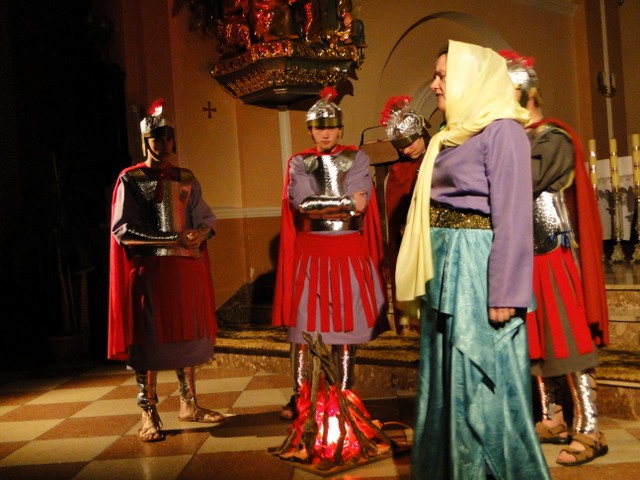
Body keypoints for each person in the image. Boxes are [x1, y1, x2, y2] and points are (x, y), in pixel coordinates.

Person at [395, 40, 551, 479]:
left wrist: (505, 291)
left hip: (478, 270)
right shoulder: (451, 134)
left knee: (479, 384)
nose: (434, 84)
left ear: (472, 79)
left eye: (443, 75)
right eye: (436, 75)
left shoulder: (502, 131)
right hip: (446, 270)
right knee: (447, 381)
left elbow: (513, 215)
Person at [501, 49, 610, 466]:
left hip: (554, 253)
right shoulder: (516, 138)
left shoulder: (554, 138)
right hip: (524, 257)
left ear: (524, 93)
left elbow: (524, 180)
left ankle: (591, 429)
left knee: (569, 339)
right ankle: (553, 418)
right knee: (536, 340)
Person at [107, 98, 224, 442]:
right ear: (146, 141)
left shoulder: (186, 178)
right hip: (151, 272)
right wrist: (173, 237)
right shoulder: (131, 179)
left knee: (185, 339)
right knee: (148, 342)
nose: (164, 143)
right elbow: (123, 230)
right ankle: (148, 412)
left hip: (184, 271)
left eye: (168, 137)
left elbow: (206, 218)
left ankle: (189, 403)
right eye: (157, 138)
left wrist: (200, 233)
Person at [272, 86, 388, 421]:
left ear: (340, 129)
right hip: (311, 254)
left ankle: (344, 395)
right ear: (310, 130)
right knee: (305, 329)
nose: (325, 133)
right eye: (318, 127)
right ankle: (300, 397)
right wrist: (346, 203)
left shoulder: (357, 158)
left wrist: (337, 205)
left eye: (331, 127)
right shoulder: (299, 162)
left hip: (348, 252)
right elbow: (302, 204)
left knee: (347, 328)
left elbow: (362, 204)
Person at [379, 95, 430, 335]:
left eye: (410, 143)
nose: (406, 150)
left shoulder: (440, 158)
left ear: (421, 134)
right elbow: (394, 217)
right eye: (401, 147)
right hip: (409, 244)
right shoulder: (398, 171)